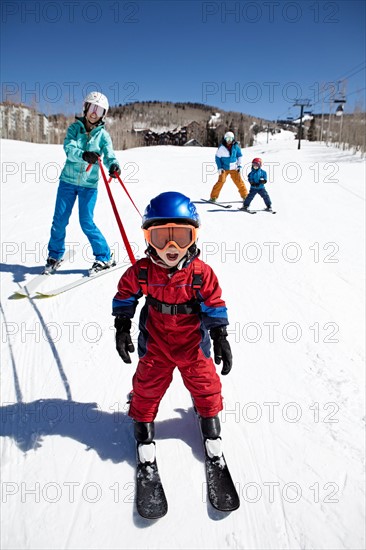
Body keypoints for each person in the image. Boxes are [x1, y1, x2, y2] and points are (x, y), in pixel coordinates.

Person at [112, 191, 233, 461]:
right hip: (156, 344)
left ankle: (210, 419)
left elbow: (214, 302)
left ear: (193, 237)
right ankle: (143, 425)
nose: (171, 247)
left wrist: (219, 334)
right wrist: (122, 325)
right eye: (160, 237)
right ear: (148, 238)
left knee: (205, 382)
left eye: (180, 236)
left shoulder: (200, 273)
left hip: (192, 345)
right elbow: (125, 295)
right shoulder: (142, 271)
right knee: (147, 385)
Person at [46, 91, 121, 275]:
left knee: (86, 221)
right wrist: (83, 155)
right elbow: (69, 148)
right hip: (68, 182)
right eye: (92, 108)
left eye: (99, 110)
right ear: (86, 108)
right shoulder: (74, 128)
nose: (94, 113)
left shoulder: (103, 135)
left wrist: (114, 166)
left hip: (89, 185)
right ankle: (55, 255)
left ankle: (104, 257)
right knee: (59, 221)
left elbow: (110, 154)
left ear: (104, 114)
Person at [210, 131, 248, 202]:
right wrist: (220, 167)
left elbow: (239, 156)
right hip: (224, 168)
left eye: (231, 139)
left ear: (233, 139)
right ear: (225, 139)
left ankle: (245, 196)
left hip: (234, 168)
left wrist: (239, 165)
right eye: (227, 139)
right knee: (221, 181)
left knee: (239, 181)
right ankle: (213, 197)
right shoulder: (221, 148)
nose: (229, 140)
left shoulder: (236, 147)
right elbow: (217, 158)